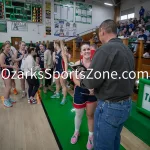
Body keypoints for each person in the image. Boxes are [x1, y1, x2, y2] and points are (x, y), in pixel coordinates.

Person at [72, 19, 135, 150]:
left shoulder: (105, 49)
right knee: (115, 141)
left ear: (102, 31)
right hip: (127, 105)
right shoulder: (127, 49)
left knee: (102, 145)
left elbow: (91, 81)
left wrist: (79, 81)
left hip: (110, 106)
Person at [71, 44, 97, 150]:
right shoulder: (78, 64)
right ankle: (76, 132)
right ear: (81, 53)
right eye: (84, 50)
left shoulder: (95, 64)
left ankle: (91, 136)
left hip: (92, 95)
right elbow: (75, 80)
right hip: (80, 93)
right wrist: (86, 86)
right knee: (79, 115)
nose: (86, 51)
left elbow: (99, 78)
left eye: (88, 49)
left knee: (90, 115)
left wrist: (94, 87)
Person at [0, 43, 18, 107]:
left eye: (9, 47)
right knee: (8, 87)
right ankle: (5, 100)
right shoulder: (2, 55)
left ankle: (8, 98)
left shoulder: (8, 54)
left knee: (9, 86)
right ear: (3, 48)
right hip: (5, 72)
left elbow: (12, 60)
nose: (9, 48)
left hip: (10, 71)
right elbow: (2, 65)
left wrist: (21, 57)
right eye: (7, 47)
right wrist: (12, 67)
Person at [51, 40, 68, 105]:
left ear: (56, 44)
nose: (53, 45)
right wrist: (54, 59)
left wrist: (65, 72)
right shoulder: (55, 52)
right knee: (57, 83)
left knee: (63, 85)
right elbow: (55, 62)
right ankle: (57, 94)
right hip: (57, 70)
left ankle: (64, 98)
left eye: (54, 44)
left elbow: (66, 62)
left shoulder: (62, 52)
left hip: (62, 70)